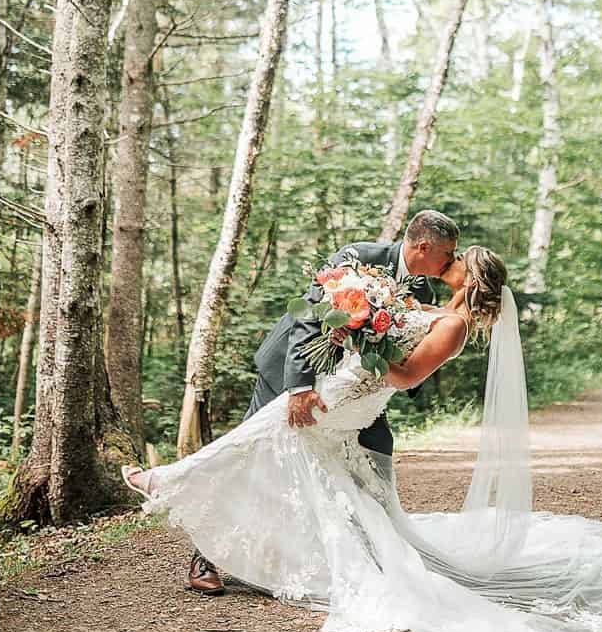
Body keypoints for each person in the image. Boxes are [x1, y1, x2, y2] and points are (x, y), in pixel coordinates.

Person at [126, 246, 602, 632]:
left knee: (277, 429)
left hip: (361, 389)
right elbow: (391, 320)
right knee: (286, 442)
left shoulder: (454, 326)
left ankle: (168, 481)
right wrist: (365, 323)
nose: (448, 266)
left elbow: (406, 376)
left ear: (469, 278)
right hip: (350, 385)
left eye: (457, 263)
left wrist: (370, 339)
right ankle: (188, 500)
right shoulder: (440, 309)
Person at [181, 209, 462, 594]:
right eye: (448, 254)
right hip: (290, 370)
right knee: (252, 456)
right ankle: (205, 556)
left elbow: (405, 356)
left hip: (350, 391)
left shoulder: (423, 290)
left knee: (377, 448)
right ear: (424, 246)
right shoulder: (357, 257)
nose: (451, 263)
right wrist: (299, 388)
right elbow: (307, 320)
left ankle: (375, 552)